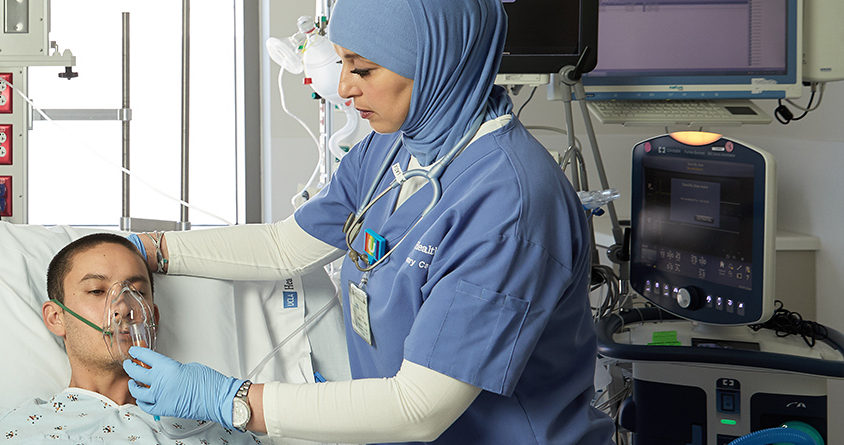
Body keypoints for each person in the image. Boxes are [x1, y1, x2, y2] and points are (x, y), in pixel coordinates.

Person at [117, 0, 613, 443]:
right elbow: (285, 246)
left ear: (436, 60)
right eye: (342, 63)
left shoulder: (510, 207)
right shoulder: (393, 144)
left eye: (363, 68)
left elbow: (418, 408)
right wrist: (145, 248)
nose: (344, 88)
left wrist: (232, 401)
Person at [0, 233, 261, 445]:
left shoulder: (223, 426)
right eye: (96, 291)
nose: (123, 306)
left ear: (153, 317)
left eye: (137, 291)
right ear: (56, 317)